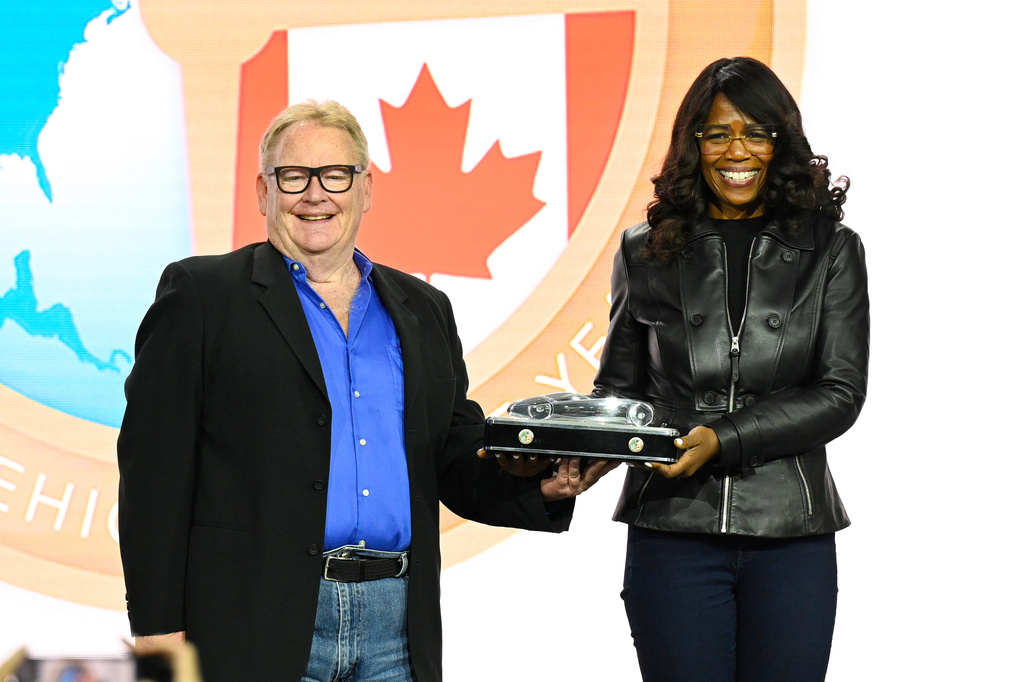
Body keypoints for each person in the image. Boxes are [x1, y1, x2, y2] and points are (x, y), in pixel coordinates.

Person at [117, 100, 613, 682]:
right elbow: (155, 471)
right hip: (253, 621)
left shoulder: (424, 309)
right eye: (293, 175)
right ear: (262, 191)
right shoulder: (202, 295)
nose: (315, 194)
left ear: (366, 187)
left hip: (396, 627)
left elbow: (452, 457)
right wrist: (156, 631)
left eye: (336, 175)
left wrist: (542, 485)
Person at [591, 57, 868, 682]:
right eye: (717, 133)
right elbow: (618, 390)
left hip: (790, 533)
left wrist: (724, 438)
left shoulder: (832, 248)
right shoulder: (645, 249)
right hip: (672, 528)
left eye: (755, 132)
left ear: (780, 141)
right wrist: (571, 451)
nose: (736, 150)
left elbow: (841, 392)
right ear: (694, 144)